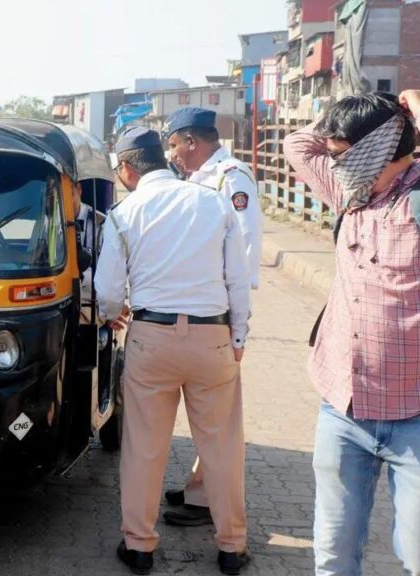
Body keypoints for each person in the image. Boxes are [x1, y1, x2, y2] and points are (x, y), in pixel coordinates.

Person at [284, 90, 420, 575]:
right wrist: (355, 111)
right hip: (344, 409)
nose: (334, 163)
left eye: (344, 154)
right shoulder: (350, 190)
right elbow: (298, 146)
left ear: (377, 150)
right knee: (332, 558)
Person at [96, 127, 251, 575]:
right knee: (221, 447)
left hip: (151, 335)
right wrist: (238, 336)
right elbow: (236, 278)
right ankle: (230, 547)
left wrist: (113, 312)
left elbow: (107, 289)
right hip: (212, 336)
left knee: (144, 446)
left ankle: (140, 547)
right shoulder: (212, 201)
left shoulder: (124, 213)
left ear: (127, 168)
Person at [160, 108, 263, 528]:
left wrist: (231, 317)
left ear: (189, 140)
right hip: (202, 307)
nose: (173, 155)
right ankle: (198, 485)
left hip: (217, 310)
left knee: (216, 415)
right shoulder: (201, 177)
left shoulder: (230, 177)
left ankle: (206, 501)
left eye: (173, 145)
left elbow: (244, 243)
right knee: (208, 409)